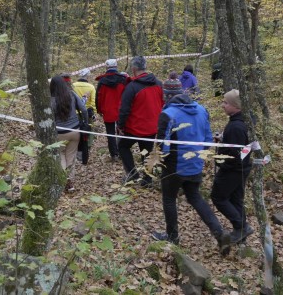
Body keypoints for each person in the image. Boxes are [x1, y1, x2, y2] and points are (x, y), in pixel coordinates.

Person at [151, 81, 232, 253]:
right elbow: (208, 139)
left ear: (168, 96)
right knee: (195, 197)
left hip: (174, 165)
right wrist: (199, 157)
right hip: (195, 163)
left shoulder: (168, 114)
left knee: (169, 199)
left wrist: (158, 162)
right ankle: (219, 232)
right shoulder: (202, 110)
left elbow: (161, 144)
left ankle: (172, 236)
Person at [212, 89, 254, 244]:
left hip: (233, 170)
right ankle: (241, 234)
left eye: (226, 103)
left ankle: (241, 227)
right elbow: (240, 147)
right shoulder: (240, 122)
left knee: (218, 197)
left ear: (236, 106)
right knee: (236, 200)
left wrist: (224, 161)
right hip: (239, 169)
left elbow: (237, 153)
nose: (223, 105)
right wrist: (223, 139)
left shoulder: (236, 126)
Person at [117, 56, 164, 186]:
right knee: (145, 151)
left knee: (123, 146)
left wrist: (120, 125)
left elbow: (124, 109)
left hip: (134, 128)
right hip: (151, 127)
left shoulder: (132, 86)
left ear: (133, 69)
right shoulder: (159, 84)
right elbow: (163, 103)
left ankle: (133, 174)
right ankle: (146, 179)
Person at [50, 75, 86, 192]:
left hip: (59, 133)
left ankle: (64, 180)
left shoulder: (51, 100)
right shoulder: (72, 94)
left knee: (61, 156)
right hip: (75, 131)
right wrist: (85, 121)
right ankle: (70, 181)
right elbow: (84, 109)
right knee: (71, 156)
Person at [96, 59, 126, 161]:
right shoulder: (123, 79)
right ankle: (122, 152)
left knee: (110, 133)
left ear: (106, 67)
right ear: (116, 66)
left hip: (108, 110)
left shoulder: (102, 81)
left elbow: (99, 97)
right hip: (121, 110)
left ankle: (114, 154)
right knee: (121, 131)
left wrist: (99, 110)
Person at [72, 70, 97, 165]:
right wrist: (93, 112)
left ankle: (77, 150)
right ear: (87, 76)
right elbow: (93, 101)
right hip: (87, 112)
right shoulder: (91, 87)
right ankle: (87, 147)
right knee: (88, 130)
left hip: (75, 112)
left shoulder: (73, 86)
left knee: (77, 130)